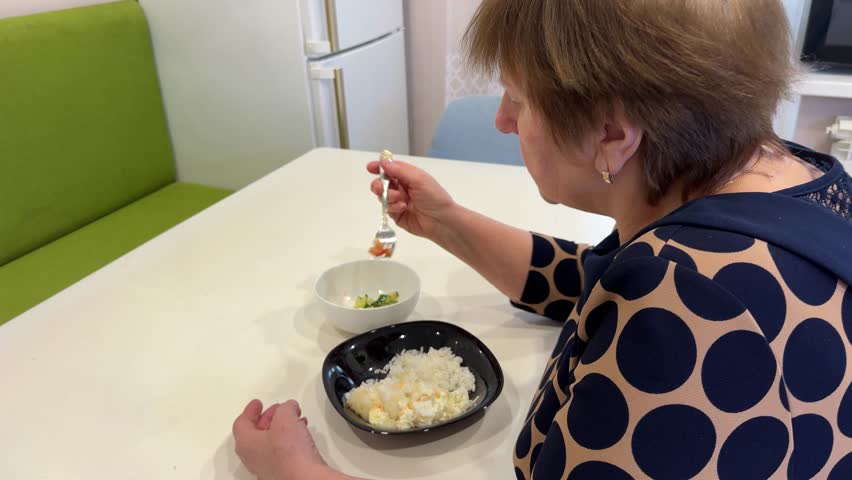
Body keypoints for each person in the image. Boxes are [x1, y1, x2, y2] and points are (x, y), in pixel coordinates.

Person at [233, 0, 852, 478]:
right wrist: (446, 220)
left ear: (612, 136)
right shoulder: (792, 180)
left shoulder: (687, 304)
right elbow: (599, 285)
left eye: (518, 99)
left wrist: (295, 469)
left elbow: (660, 307)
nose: (502, 121)